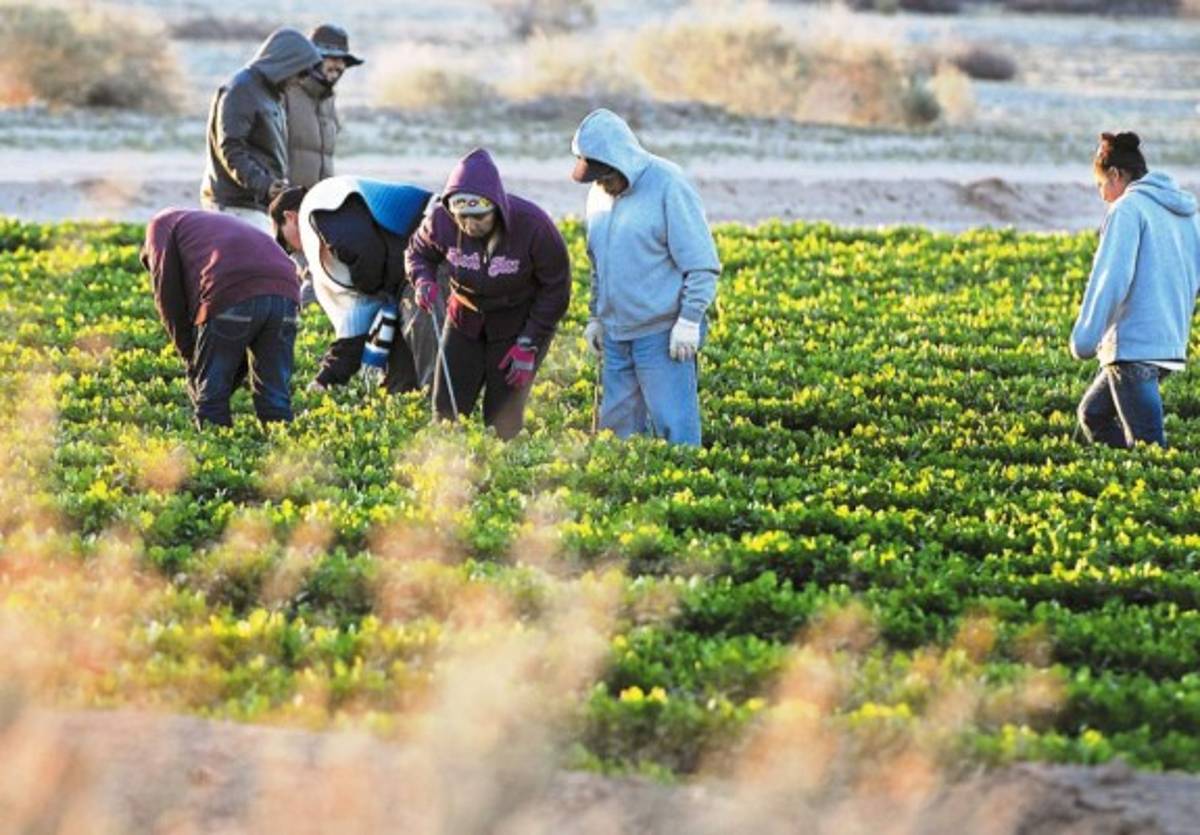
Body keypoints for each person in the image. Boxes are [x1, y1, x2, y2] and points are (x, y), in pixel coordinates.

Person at [570, 108, 721, 446]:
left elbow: (702, 264)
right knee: (616, 433)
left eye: (606, 176)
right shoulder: (598, 194)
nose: (601, 184)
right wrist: (596, 316)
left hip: (662, 334)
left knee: (674, 430)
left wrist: (689, 320)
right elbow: (598, 263)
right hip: (616, 333)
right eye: (595, 177)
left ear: (622, 160)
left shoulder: (670, 185)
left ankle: (680, 494)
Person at [405, 148, 571, 440]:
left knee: (502, 420)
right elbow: (418, 253)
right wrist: (422, 280)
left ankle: (501, 478)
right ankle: (451, 475)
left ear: (495, 206)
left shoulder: (533, 226)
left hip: (516, 323)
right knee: (446, 410)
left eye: (479, 216)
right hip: (463, 320)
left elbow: (556, 289)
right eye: (462, 217)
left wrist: (529, 343)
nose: (470, 225)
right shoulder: (440, 222)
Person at [1071, 131, 1200, 449]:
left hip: (1134, 346)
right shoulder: (1184, 213)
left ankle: (1157, 489)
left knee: (1150, 448)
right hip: (1166, 345)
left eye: (1101, 185)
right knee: (1093, 414)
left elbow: (1110, 280)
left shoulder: (1127, 209)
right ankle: (1129, 479)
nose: (1102, 196)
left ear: (1116, 174)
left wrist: (1084, 340)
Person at [270, 178, 440, 393]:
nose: (296, 254)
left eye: (286, 244)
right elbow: (355, 327)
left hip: (428, 256)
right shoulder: (337, 234)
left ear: (291, 217)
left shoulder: (320, 208)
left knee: (429, 369)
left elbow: (366, 253)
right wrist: (325, 379)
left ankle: (446, 420)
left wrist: (369, 288)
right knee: (399, 383)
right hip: (404, 275)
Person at [141, 209, 301, 428]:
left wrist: (191, 357)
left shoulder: (159, 226)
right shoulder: (206, 226)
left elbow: (169, 299)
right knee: (275, 396)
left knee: (212, 397)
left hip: (232, 290)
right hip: (286, 292)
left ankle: (216, 450)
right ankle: (285, 455)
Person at [200, 28, 321, 232]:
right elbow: (231, 148)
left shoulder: (269, 92)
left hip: (255, 205)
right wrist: (264, 184)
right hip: (235, 206)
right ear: (285, 63)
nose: (301, 81)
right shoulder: (241, 89)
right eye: (301, 72)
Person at [285, 24, 362, 190]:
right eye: (332, 58)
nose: (339, 66)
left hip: (316, 201)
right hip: (284, 204)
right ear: (312, 60)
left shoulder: (328, 99)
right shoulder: (286, 93)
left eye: (342, 60)